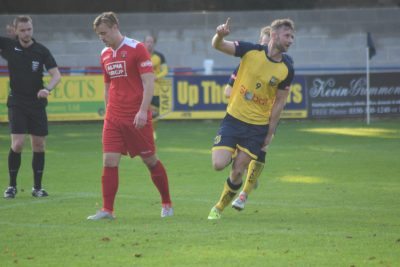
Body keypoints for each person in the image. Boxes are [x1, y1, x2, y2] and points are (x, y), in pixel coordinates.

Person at [88, 12, 173, 220]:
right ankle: (107, 210)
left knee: (150, 160)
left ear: (116, 27)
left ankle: (166, 203)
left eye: (104, 33)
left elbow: (148, 82)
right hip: (114, 117)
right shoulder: (105, 53)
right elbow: (108, 85)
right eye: (99, 34)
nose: (102, 37)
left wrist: (143, 111)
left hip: (136, 117)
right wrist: (108, 110)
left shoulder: (137, 48)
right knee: (109, 161)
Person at [208, 18, 295, 220]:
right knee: (218, 164)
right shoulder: (250, 51)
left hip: (257, 127)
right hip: (234, 119)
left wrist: (270, 132)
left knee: (238, 171)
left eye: (292, 37)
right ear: (274, 35)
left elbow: (279, 103)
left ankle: (219, 207)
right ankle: (233, 155)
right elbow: (218, 45)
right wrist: (220, 35)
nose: (291, 40)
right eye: (287, 36)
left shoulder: (287, 69)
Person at [1, 15, 61, 198]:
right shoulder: (9, 46)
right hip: (17, 102)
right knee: (17, 144)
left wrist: (47, 89)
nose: (26, 33)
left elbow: (56, 75)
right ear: (15, 31)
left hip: (36, 104)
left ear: (32, 29)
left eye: (29, 29)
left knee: (39, 145)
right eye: (22, 30)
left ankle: (37, 187)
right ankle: (11, 186)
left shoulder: (41, 51)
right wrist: (10, 38)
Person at [224, 25, 272, 211]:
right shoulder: (246, 63)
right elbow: (228, 91)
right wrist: (248, 96)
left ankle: (243, 196)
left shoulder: (280, 67)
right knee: (238, 163)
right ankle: (246, 173)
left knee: (263, 150)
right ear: (260, 41)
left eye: (270, 45)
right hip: (242, 117)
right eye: (265, 43)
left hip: (265, 118)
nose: (267, 48)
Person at [143, 35, 169, 140]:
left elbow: (165, 70)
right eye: (147, 42)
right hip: (143, 89)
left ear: (154, 43)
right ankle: (144, 132)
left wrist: (156, 77)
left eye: (151, 42)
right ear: (144, 43)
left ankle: (153, 132)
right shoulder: (140, 55)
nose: (149, 44)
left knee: (154, 113)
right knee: (143, 112)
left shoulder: (160, 56)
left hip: (155, 89)